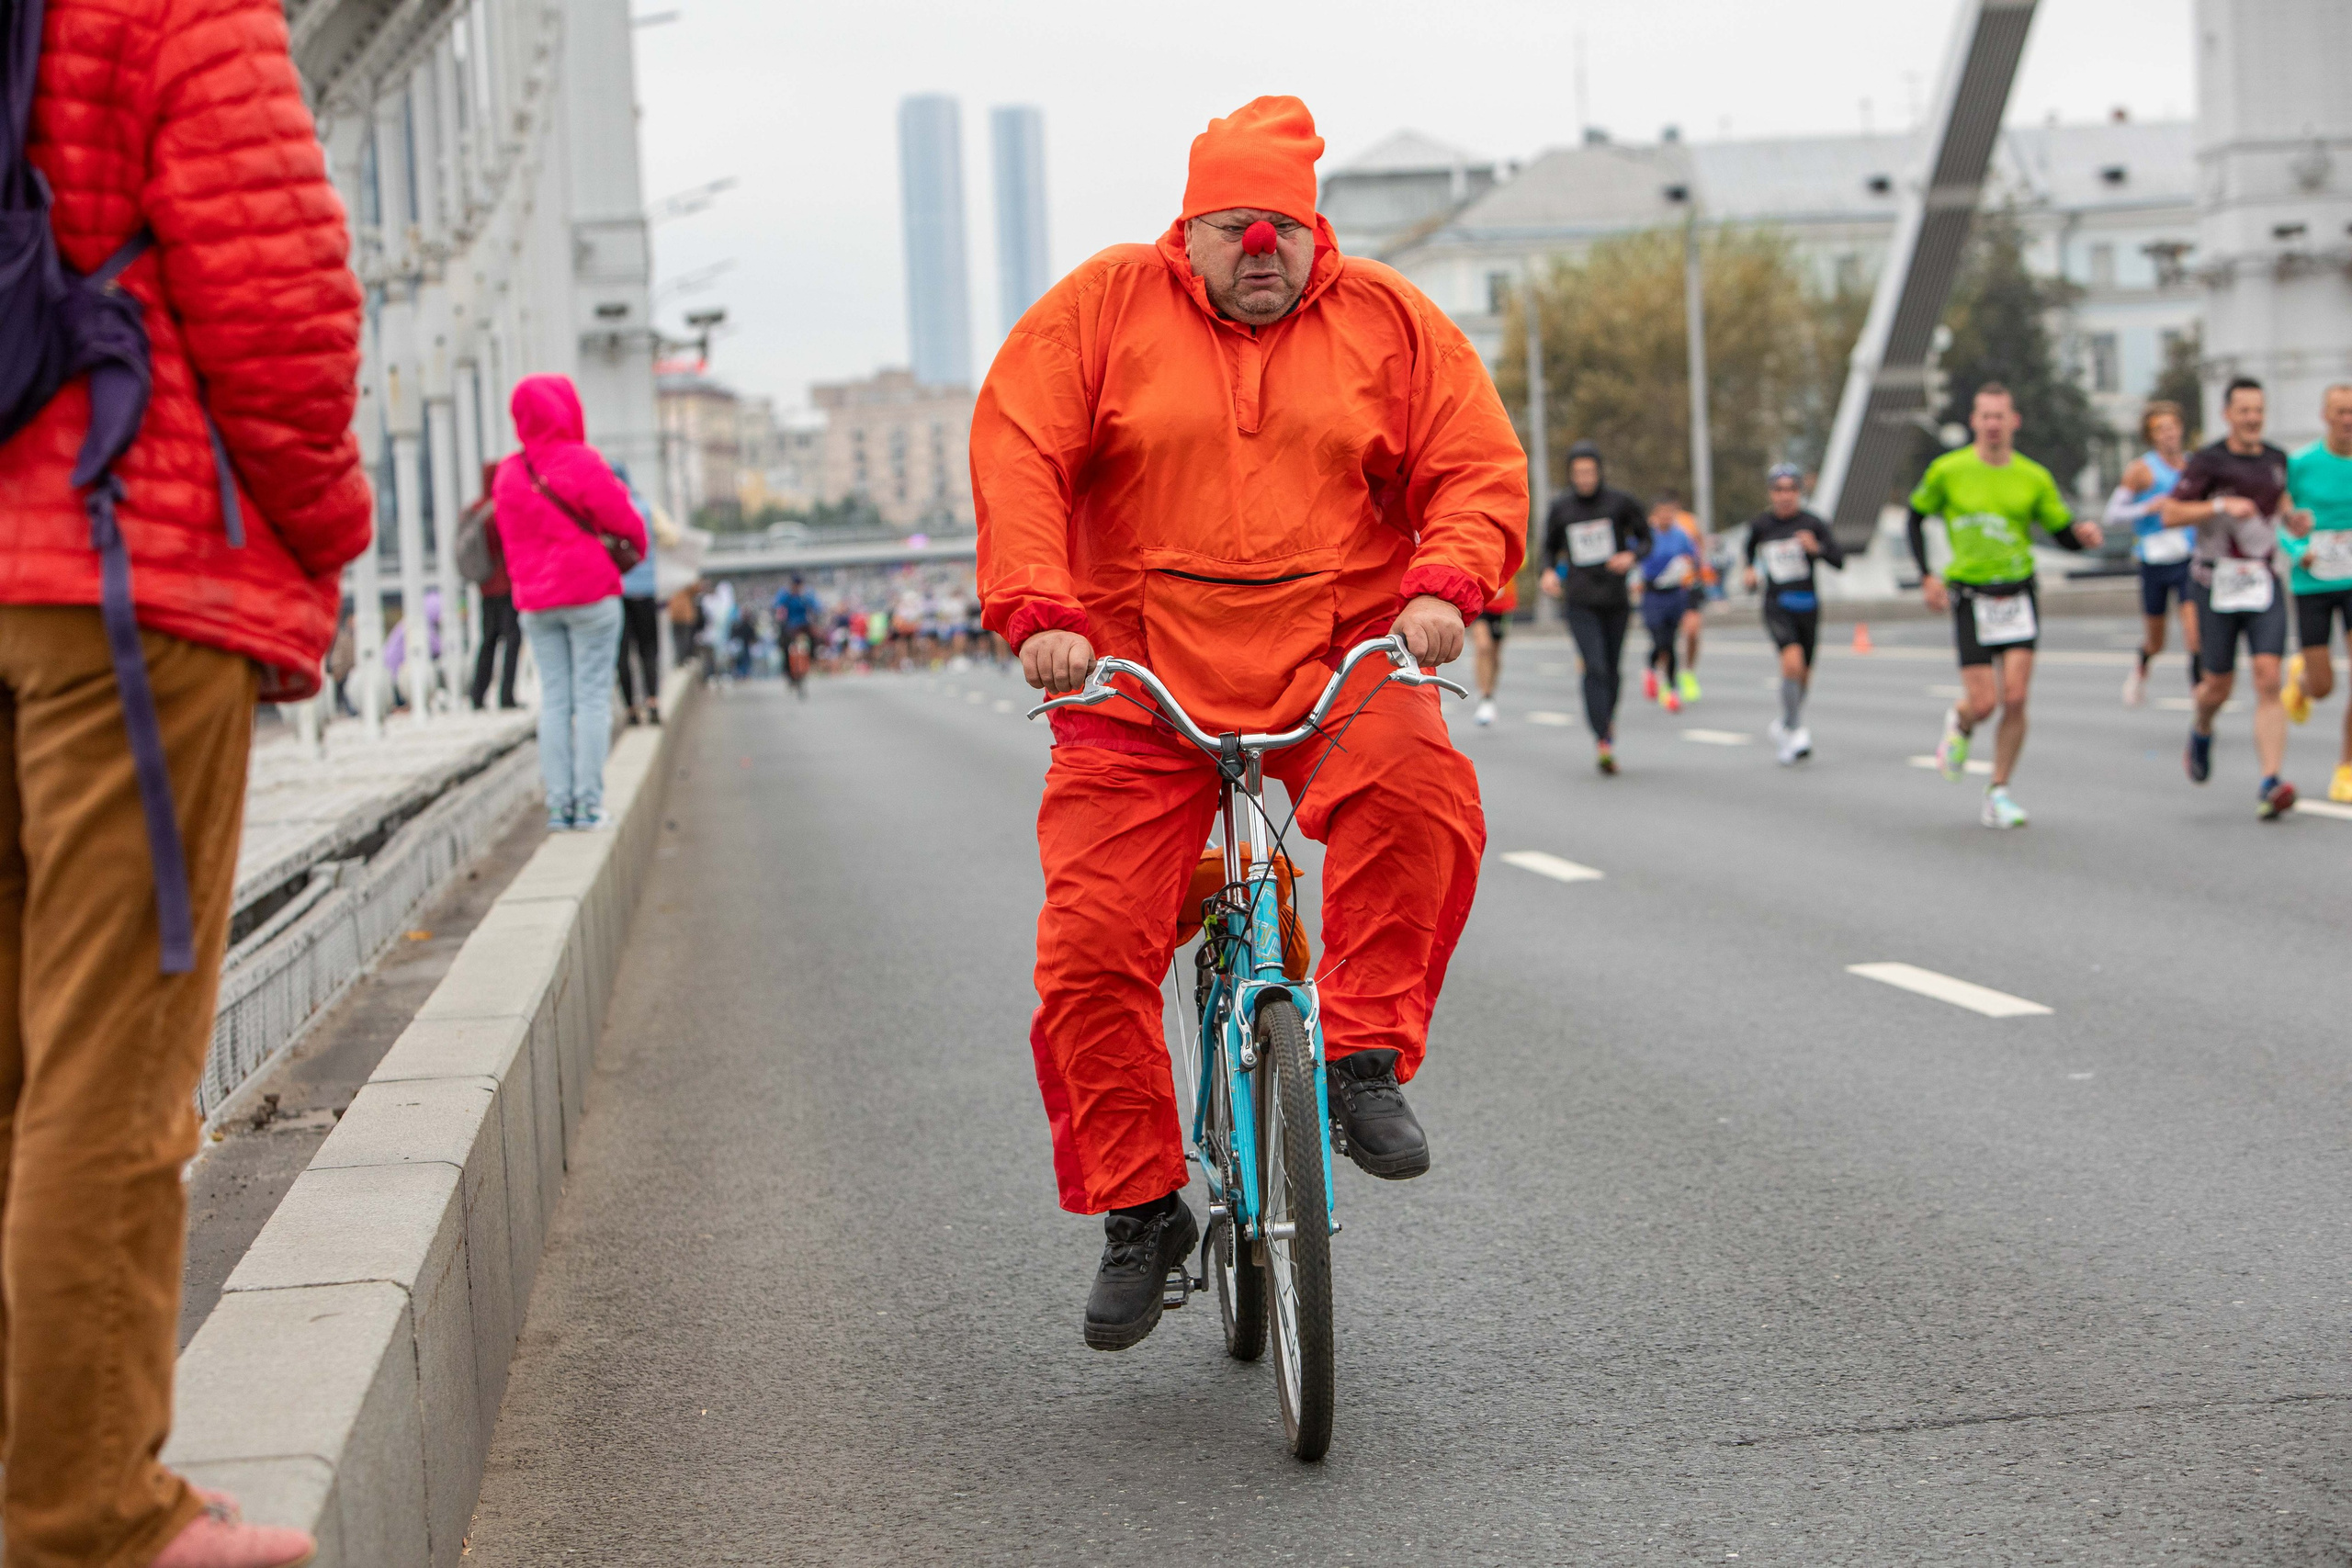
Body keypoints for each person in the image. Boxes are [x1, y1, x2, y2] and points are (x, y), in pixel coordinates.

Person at [971, 96, 1522, 1351]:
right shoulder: (1105, 307)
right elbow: (1019, 451)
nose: (1261, 247)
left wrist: (1445, 582)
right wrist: (1040, 607)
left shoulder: (1385, 316)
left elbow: (1473, 464)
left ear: (1315, 234)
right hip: (1133, 667)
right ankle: (1140, 1203)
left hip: (1339, 648)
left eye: (1284, 226)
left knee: (1421, 788)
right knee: (1091, 946)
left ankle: (1360, 1055)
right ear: (1190, 231)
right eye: (1236, 226)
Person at [0, 0, 372, 1561]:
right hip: (119, 580)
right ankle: (87, 1514)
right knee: (110, 1070)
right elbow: (280, 308)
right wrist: (330, 530)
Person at [1908, 383, 2102, 828]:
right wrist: (1926, 575)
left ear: (2013, 422)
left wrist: (2083, 537)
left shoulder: (2033, 476)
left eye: (2000, 416)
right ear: (1974, 421)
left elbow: (2060, 529)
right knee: (1984, 703)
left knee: (2015, 698)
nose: (1993, 424)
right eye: (1985, 416)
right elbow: (1917, 516)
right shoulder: (1948, 471)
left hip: (2017, 594)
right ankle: (1959, 721)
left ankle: (1998, 791)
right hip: (1971, 596)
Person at [494, 375, 648, 831]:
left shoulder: (509, 473)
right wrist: (630, 554)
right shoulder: (581, 462)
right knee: (594, 699)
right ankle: (589, 804)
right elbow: (627, 522)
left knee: (556, 700)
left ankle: (559, 807)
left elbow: (508, 540)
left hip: (537, 604)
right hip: (590, 595)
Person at [2163, 376, 2310, 818]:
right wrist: (2221, 506)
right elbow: (2171, 512)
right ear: (2228, 414)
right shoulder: (2208, 461)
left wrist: (2293, 520)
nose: (2252, 419)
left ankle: (2271, 780)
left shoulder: (2277, 459)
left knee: (2269, 678)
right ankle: (2202, 727)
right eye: (2244, 411)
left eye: (2259, 411)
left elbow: (2280, 502)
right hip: (2215, 585)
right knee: (2218, 687)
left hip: (2262, 581)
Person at [1538, 440, 1650, 773]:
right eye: (1578, 473)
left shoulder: (1621, 502)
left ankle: (1606, 723)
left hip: (1615, 599)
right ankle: (1602, 735)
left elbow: (1646, 539)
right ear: (1571, 475)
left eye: (1589, 472)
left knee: (1613, 670)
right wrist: (1547, 572)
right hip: (1580, 600)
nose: (1584, 478)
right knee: (1595, 665)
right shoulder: (1562, 508)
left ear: (1599, 471)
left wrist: (1631, 556)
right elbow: (1548, 548)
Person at [1743, 463, 1846, 764]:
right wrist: (1749, 572)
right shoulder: (1762, 525)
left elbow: (1839, 560)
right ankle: (1795, 730)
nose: (1785, 496)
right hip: (1777, 604)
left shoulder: (1813, 523)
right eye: (1779, 490)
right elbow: (1748, 552)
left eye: (1791, 490)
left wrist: (1816, 549)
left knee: (1804, 675)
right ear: (1770, 493)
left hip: (1808, 605)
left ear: (1800, 492)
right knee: (1791, 662)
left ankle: (1786, 723)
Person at [2283, 383, 2352, 802]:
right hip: (2313, 584)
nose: (2348, 420)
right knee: (2324, 686)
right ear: (2325, 415)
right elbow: (2279, 518)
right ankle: (2303, 683)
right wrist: (2298, 550)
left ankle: (2346, 768)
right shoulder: (2302, 464)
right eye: (2341, 412)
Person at [2109, 401, 2197, 706]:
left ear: (2181, 429)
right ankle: (2142, 666)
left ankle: (2199, 696)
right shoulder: (2141, 469)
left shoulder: (2193, 467)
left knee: (2194, 632)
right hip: (2154, 560)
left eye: (2172, 427)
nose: (2168, 435)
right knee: (2156, 640)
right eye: (2160, 429)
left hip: (2187, 557)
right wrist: (2147, 506)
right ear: (2151, 435)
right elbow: (2113, 514)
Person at [464, 462, 524, 710]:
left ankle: (478, 695)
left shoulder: (474, 510)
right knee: (513, 637)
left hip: (485, 585)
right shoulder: (503, 508)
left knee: (487, 639)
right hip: (507, 584)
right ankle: (506, 695)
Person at [1636, 498, 1702, 715]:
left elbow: (1693, 557)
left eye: (1669, 514)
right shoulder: (1647, 535)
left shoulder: (1680, 535)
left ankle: (1672, 689)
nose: (1666, 518)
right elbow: (1634, 556)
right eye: (1661, 513)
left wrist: (1687, 568)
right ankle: (1650, 668)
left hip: (1674, 594)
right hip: (1653, 593)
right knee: (1659, 639)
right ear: (1654, 515)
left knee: (1671, 641)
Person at [611, 463, 662, 726]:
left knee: (622, 653)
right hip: (646, 591)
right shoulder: (645, 508)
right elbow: (671, 537)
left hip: (617, 592)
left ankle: (631, 709)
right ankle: (652, 702)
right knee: (649, 650)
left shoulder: (605, 509)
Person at [1469, 573, 1517, 725]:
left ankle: (1490, 693)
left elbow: (1521, 561)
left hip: (1502, 601)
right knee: (1483, 647)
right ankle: (1485, 696)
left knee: (1494, 653)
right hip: (1478, 596)